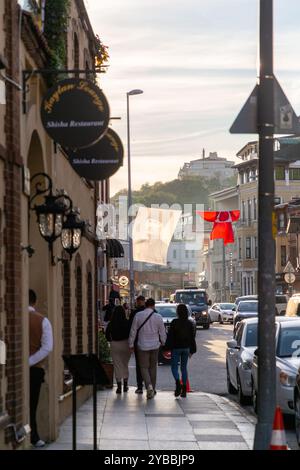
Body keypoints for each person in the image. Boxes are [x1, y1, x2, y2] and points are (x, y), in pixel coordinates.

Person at [29, 289, 53, 447]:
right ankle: (34, 435)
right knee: (32, 403)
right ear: (34, 302)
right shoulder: (42, 320)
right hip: (35, 369)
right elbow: (47, 348)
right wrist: (29, 361)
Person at [129, 298, 166, 399]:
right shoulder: (158, 317)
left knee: (144, 367)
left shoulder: (138, 315)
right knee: (153, 367)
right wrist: (163, 342)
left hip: (142, 345)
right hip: (155, 345)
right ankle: (153, 389)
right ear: (154, 306)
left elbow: (133, 331)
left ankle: (148, 386)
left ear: (145, 305)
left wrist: (131, 344)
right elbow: (162, 332)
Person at [165, 303, 197, 398]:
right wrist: (192, 350)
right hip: (186, 348)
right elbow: (192, 337)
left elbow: (170, 336)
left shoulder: (174, 322)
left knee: (174, 367)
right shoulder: (189, 323)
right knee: (184, 368)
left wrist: (166, 347)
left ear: (178, 312)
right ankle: (184, 389)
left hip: (176, 348)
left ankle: (178, 383)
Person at [105, 305, 131, 394]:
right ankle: (126, 385)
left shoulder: (111, 323)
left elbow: (107, 335)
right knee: (125, 364)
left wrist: (111, 340)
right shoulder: (127, 322)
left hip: (115, 344)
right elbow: (131, 334)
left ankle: (119, 386)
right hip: (126, 344)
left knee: (117, 365)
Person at [129, 295, 146, 394]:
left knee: (139, 365)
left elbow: (131, 329)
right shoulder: (153, 313)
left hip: (138, 342)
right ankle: (150, 386)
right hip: (151, 344)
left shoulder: (134, 313)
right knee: (149, 365)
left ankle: (140, 386)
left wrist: (130, 343)